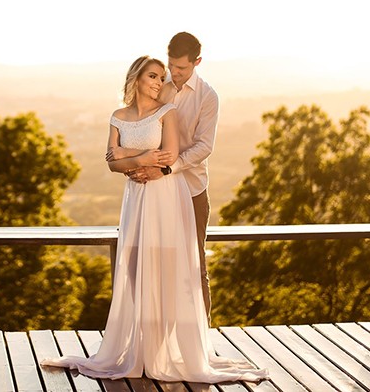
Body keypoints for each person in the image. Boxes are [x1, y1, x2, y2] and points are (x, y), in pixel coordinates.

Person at [40, 56, 268, 383]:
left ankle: (163, 352)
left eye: (162, 77)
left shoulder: (168, 112)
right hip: (136, 198)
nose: (159, 82)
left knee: (167, 265)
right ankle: (140, 349)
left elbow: (170, 155)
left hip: (164, 195)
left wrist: (134, 158)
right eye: (153, 75)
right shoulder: (118, 116)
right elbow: (111, 162)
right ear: (136, 77)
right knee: (134, 266)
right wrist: (141, 157)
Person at [129, 31, 218, 320]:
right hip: (154, 193)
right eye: (172, 67)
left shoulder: (207, 97)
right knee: (152, 264)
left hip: (191, 192)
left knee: (194, 265)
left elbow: (204, 146)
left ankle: (200, 340)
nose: (175, 74)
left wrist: (167, 168)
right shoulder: (159, 86)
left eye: (182, 68)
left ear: (197, 62)